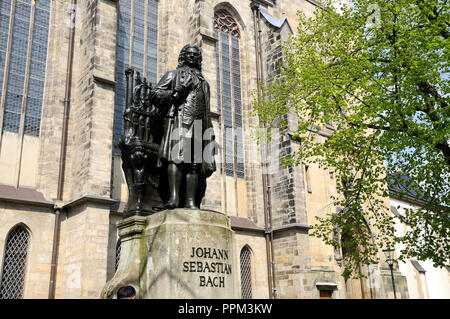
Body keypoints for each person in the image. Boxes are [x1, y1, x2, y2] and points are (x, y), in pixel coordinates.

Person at [149, 44, 216, 209]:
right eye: (189, 54)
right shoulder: (174, 75)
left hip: (199, 125)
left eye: (195, 55)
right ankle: (173, 198)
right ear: (183, 57)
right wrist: (174, 93)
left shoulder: (204, 83)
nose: (192, 56)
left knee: (194, 163)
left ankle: (190, 202)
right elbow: (154, 94)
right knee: (176, 158)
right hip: (180, 121)